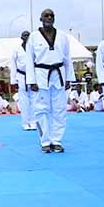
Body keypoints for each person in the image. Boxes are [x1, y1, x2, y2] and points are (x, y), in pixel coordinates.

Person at [25, 9, 76, 153]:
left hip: (59, 74)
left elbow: (67, 58)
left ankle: (57, 140)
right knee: (41, 110)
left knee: (59, 109)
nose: (49, 17)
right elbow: (29, 60)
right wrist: (31, 80)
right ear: (40, 18)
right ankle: (45, 141)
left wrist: (69, 78)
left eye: (51, 15)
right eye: (46, 15)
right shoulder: (34, 37)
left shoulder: (62, 36)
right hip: (41, 75)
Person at [10, 30, 36, 130]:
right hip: (21, 77)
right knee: (24, 102)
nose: (26, 37)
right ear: (21, 37)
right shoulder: (17, 49)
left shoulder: (34, 48)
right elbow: (13, 65)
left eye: (28, 35)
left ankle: (33, 122)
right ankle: (25, 123)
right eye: (24, 35)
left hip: (33, 76)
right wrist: (14, 81)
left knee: (34, 101)